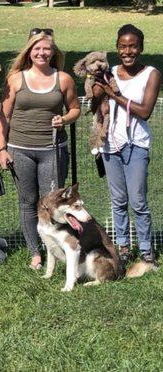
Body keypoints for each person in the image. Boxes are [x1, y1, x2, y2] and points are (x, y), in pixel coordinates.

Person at [0, 29, 80, 270]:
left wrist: (64, 119)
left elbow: (75, 109)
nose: (42, 53)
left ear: (53, 52)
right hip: (20, 149)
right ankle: (35, 252)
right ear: (29, 52)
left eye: (46, 49)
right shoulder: (15, 79)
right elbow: (3, 115)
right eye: (37, 49)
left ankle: (53, 248)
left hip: (53, 149)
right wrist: (2, 149)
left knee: (51, 202)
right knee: (28, 201)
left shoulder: (63, 79)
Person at [94, 24, 161, 264]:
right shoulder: (108, 72)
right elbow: (95, 105)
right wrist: (96, 91)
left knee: (138, 200)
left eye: (133, 46)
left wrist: (113, 95)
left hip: (137, 146)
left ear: (141, 48)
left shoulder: (151, 73)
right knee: (118, 200)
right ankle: (122, 247)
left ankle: (145, 249)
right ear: (117, 48)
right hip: (111, 146)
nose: (127, 51)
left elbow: (144, 112)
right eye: (122, 46)